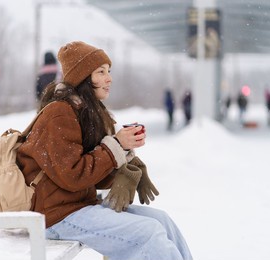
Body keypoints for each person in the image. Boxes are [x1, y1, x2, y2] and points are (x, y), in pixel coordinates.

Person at [17, 41, 193, 260]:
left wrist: (126, 168)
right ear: (83, 77)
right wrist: (115, 147)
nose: (109, 78)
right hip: (55, 216)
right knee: (149, 233)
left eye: (108, 72)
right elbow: (73, 176)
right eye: (100, 72)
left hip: (79, 205)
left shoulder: (85, 112)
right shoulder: (59, 114)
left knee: (161, 221)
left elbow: (92, 176)